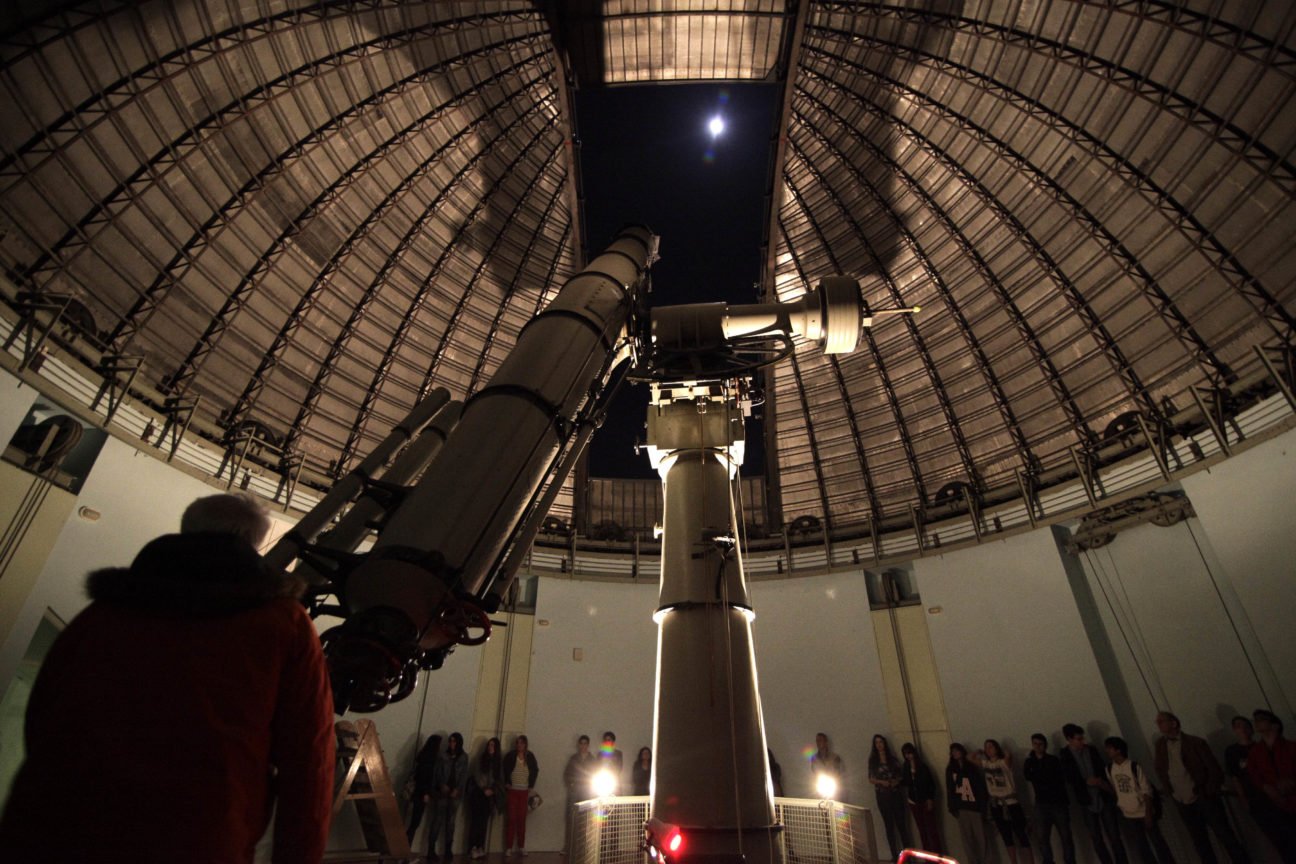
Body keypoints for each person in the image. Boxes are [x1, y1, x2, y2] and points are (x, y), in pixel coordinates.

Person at [0, 493, 335, 863]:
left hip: (58, 830)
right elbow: (309, 759)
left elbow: (43, 713)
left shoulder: (105, 612)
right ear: (254, 539)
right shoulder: (284, 624)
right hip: (198, 838)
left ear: (187, 526)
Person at [1153, 710, 1249, 864]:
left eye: (1161, 721)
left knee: (1226, 837)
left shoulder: (1196, 743)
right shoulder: (1160, 745)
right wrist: (1171, 791)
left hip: (1203, 796)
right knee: (1200, 842)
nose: (1158, 724)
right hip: (1182, 799)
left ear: (1173, 723)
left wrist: (1207, 791)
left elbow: (1214, 769)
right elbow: (1160, 768)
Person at [1059, 723, 1127, 864]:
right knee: (1096, 838)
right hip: (1086, 799)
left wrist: (1100, 782)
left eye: (1082, 738)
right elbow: (1068, 776)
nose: (1082, 741)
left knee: (1114, 836)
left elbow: (1102, 768)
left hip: (1102, 796)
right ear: (1069, 739)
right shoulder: (1065, 754)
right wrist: (1086, 782)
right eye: (1078, 739)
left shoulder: (1091, 750)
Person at [1105, 736, 1175, 864]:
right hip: (1128, 812)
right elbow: (1115, 789)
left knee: (1157, 843)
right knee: (1142, 846)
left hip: (1142, 811)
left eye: (1110, 749)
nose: (1107, 751)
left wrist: (1148, 812)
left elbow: (1146, 790)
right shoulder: (1109, 769)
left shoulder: (1133, 766)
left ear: (1118, 750)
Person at [1246, 709, 1296, 860]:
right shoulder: (1255, 752)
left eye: (1261, 719)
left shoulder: (1292, 747)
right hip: (1274, 805)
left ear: (1274, 725)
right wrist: (1267, 788)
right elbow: (1254, 776)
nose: (1256, 722)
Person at [976, 739, 1034, 864]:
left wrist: (1004, 752)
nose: (989, 749)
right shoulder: (986, 764)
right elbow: (970, 758)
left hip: (1011, 803)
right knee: (1006, 836)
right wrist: (978, 751)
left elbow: (1009, 757)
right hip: (996, 804)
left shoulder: (1003, 762)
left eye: (991, 746)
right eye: (986, 747)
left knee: (1021, 834)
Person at [1024, 733, 1077, 864]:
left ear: (1045, 745)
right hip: (1041, 803)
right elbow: (1028, 776)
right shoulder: (1030, 762)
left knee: (1066, 837)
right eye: (1035, 744)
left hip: (1057, 802)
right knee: (1042, 838)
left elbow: (1057, 778)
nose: (1037, 746)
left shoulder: (1052, 760)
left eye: (1040, 744)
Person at [868, 734, 913, 860]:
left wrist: (895, 781)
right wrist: (882, 782)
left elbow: (900, 775)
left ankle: (907, 856)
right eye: (876, 743)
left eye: (881, 742)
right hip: (883, 796)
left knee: (902, 826)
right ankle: (894, 855)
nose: (879, 745)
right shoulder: (873, 761)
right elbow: (871, 778)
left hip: (896, 794)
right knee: (889, 826)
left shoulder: (892, 759)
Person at [428, 731, 469, 861]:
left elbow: (463, 776)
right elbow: (437, 772)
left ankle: (448, 850)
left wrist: (457, 789)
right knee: (437, 821)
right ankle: (431, 849)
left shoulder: (463, 757)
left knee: (450, 822)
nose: (451, 744)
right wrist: (441, 785)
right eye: (450, 741)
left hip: (455, 793)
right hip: (442, 792)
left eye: (454, 741)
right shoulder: (443, 756)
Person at [947, 742, 990, 864]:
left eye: (957, 750)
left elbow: (980, 787)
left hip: (975, 807)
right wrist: (952, 807)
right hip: (961, 807)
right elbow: (950, 788)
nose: (955, 753)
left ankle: (986, 861)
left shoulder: (971, 767)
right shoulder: (951, 769)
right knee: (967, 840)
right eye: (953, 751)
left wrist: (983, 807)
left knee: (981, 838)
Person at [901, 742, 943, 854]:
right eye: (905, 754)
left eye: (909, 753)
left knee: (932, 830)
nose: (908, 756)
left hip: (924, 801)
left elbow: (930, 784)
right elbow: (906, 782)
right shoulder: (905, 767)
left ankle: (938, 856)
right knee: (922, 831)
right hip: (913, 801)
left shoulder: (923, 767)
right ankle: (927, 856)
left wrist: (930, 798)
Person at [503, 734, 539, 856]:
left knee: (521, 819)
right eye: (518, 743)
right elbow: (504, 769)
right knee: (512, 818)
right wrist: (507, 782)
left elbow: (535, 769)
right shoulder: (510, 756)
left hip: (524, 791)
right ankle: (508, 847)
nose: (519, 745)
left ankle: (521, 846)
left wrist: (531, 785)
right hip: (512, 790)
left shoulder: (530, 756)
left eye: (522, 743)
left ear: (525, 744)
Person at [468, 737, 503, 860]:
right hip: (479, 793)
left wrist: (493, 790)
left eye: (493, 745)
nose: (490, 747)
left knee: (484, 823)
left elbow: (499, 779)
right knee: (476, 821)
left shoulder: (498, 762)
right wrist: (484, 788)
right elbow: (477, 775)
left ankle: (480, 846)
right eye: (489, 745)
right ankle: (472, 847)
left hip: (490, 795)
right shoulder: (480, 759)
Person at [408, 734, 444, 844]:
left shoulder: (423, 757)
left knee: (414, 822)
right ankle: (405, 850)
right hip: (422, 794)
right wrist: (426, 793)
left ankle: (405, 849)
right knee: (415, 823)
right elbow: (426, 778)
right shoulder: (430, 761)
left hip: (417, 792)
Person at [562, 735, 595, 853]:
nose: (583, 746)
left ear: (588, 745)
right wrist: (571, 784)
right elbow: (567, 774)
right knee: (572, 817)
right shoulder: (574, 758)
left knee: (585, 819)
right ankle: (570, 846)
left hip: (587, 791)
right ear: (579, 745)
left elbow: (595, 774)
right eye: (581, 743)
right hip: (575, 790)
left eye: (585, 743)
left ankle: (584, 847)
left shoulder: (592, 759)